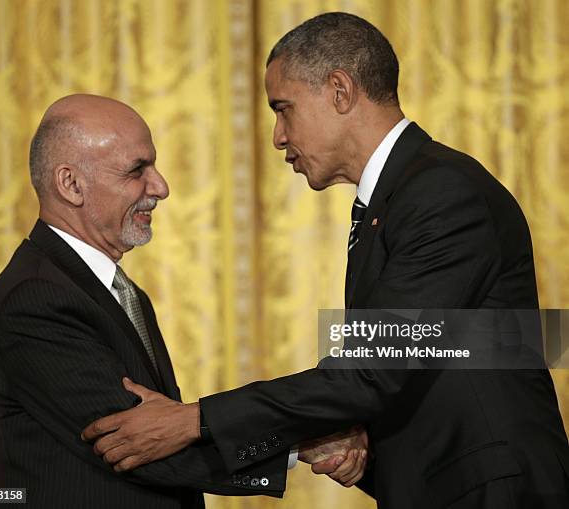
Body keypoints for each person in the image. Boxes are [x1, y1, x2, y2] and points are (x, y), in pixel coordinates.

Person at [83, 12, 569, 509]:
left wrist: (194, 420)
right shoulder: (396, 199)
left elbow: (371, 371)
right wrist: (354, 441)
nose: (278, 136)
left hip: (492, 489)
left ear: (339, 90)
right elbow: (418, 363)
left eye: (284, 108)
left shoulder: (441, 193)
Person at [0, 94, 366, 509]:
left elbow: (164, 429)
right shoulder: (33, 301)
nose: (160, 187)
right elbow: (139, 448)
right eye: (137, 170)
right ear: (71, 184)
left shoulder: (118, 291)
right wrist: (299, 442)